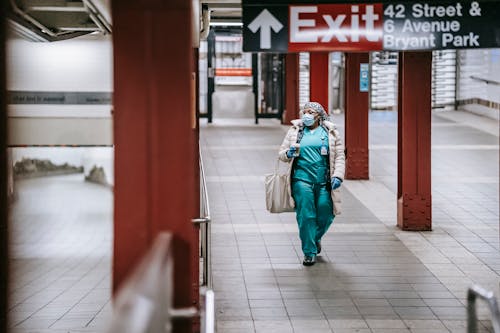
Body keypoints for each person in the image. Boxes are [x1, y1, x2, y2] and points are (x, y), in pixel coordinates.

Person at [278, 102, 345, 266]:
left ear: (319, 115)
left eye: (311, 112)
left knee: (326, 212)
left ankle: (314, 238)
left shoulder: (331, 132)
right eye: (304, 111)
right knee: (306, 215)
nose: (306, 115)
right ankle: (309, 252)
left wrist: (338, 176)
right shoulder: (296, 131)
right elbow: (281, 154)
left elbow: (339, 157)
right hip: (301, 180)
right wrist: (288, 153)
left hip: (324, 180)